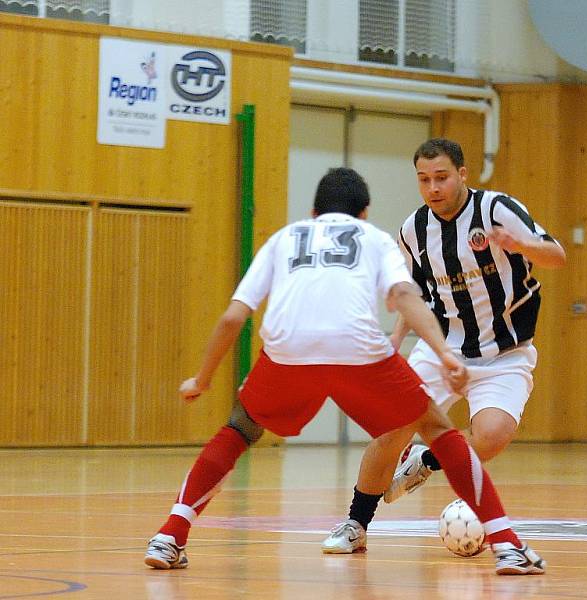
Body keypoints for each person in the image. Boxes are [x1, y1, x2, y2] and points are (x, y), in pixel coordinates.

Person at [144, 167, 546, 576]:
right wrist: (444, 353)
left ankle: (169, 536)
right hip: (357, 348)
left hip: (288, 350)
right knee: (439, 432)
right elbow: (406, 295)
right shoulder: (375, 238)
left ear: (313, 211)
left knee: (237, 431)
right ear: (365, 213)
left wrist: (203, 379)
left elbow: (233, 317)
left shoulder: (285, 238)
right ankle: (508, 546)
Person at [322, 139, 565, 552]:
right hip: (442, 348)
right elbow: (412, 292)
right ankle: (355, 524)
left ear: (463, 174)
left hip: (505, 353)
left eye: (441, 178)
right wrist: (395, 341)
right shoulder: (413, 230)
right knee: (390, 430)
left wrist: (522, 246)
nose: (433, 188)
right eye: (424, 179)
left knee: (493, 435)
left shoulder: (496, 209)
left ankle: (427, 460)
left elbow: (556, 254)